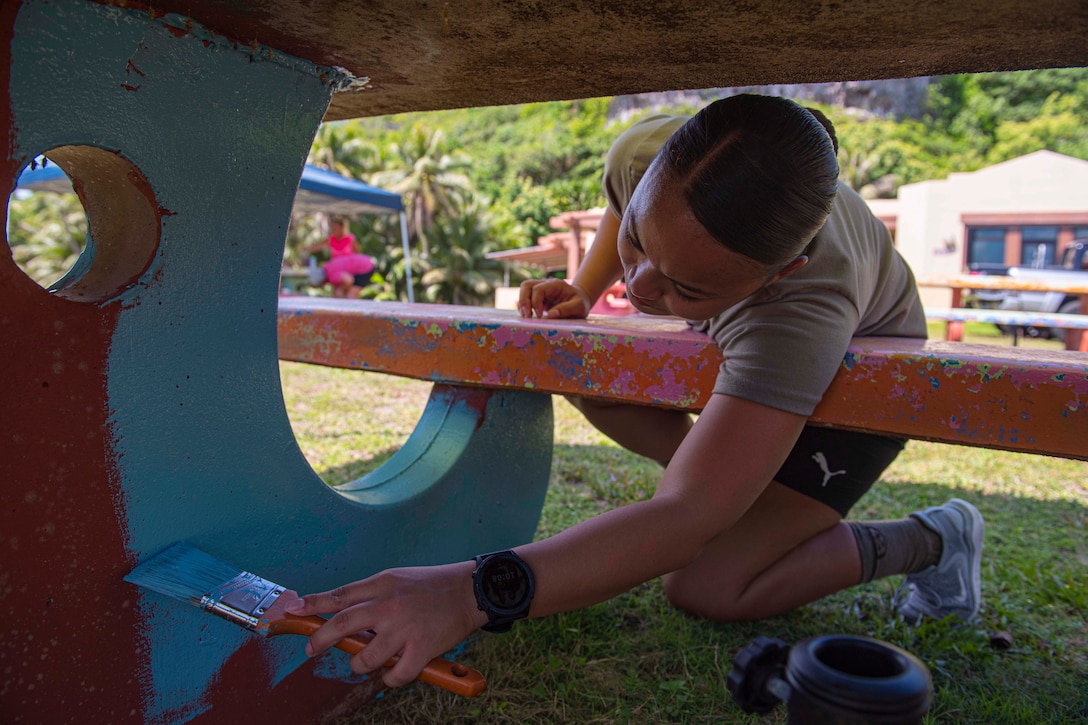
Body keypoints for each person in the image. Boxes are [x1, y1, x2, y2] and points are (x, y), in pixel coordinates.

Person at [286, 94, 985, 689]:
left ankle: (935, 538)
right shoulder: (642, 152)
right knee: (600, 380)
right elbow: (624, 207)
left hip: (847, 395)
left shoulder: (804, 310)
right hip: (744, 349)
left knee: (705, 581)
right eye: (642, 244)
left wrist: (469, 593)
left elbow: (686, 513)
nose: (644, 289)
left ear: (779, 273)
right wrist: (583, 293)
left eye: (690, 287)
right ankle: (738, 482)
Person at [305, 217, 375, 298]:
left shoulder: (350, 239)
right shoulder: (331, 239)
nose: (333, 230)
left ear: (342, 228)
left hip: (352, 270)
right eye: (332, 228)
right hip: (337, 269)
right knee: (337, 293)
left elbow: (358, 253)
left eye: (335, 228)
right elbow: (319, 246)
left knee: (349, 294)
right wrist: (306, 249)